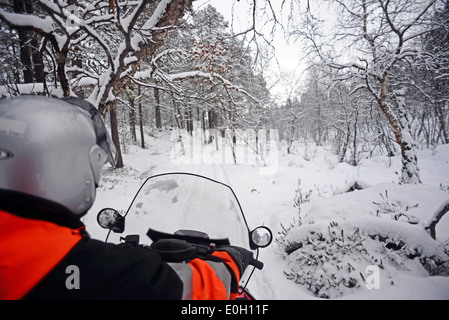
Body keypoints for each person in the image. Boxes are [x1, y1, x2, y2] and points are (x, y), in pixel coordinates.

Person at [0, 95, 253, 300]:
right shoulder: (84, 267)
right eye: (96, 168)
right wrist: (231, 259)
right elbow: (199, 288)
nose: (96, 179)